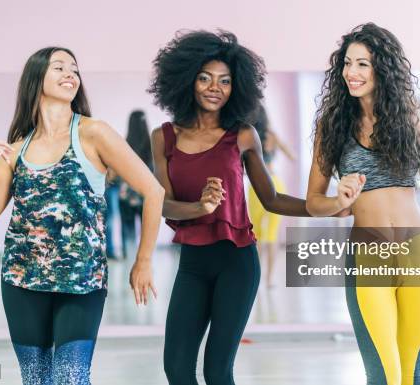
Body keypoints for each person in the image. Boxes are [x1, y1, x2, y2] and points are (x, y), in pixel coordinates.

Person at [0, 47, 164, 385]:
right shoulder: (17, 148)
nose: (70, 73)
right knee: (37, 379)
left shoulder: (94, 133)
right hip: (21, 280)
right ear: (36, 79)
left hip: (81, 281)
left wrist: (143, 260)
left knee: (70, 377)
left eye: (74, 68)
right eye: (59, 67)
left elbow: (154, 191)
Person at [305, 23, 420, 385]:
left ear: (383, 68)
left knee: (414, 373)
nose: (352, 72)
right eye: (348, 63)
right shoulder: (330, 126)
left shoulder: (408, 117)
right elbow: (313, 202)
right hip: (369, 254)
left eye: (363, 64)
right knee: (384, 375)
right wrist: (338, 200)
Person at [148, 30, 309, 385]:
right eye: (205, 78)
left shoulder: (243, 135)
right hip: (192, 264)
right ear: (187, 80)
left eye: (225, 80)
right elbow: (164, 206)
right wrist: (202, 206)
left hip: (237, 261)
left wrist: (326, 208)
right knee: (176, 369)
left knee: (218, 372)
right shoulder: (164, 137)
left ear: (237, 87)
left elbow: (272, 200)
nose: (214, 87)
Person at [248, 104, 296, 287]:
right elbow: (292, 156)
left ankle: (258, 277)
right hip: (275, 183)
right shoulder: (271, 136)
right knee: (272, 234)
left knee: (257, 234)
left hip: (255, 186)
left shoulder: (247, 137)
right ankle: (268, 279)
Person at [117, 109, 153, 258]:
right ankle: (144, 258)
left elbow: (118, 172)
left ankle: (129, 259)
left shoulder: (123, 145)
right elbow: (154, 172)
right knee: (146, 229)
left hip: (125, 194)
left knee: (127, 229)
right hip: (145, 194)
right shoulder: (151, 146)